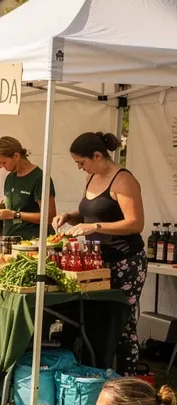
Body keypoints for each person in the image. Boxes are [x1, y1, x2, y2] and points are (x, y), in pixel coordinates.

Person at [52, 131, 146, 375]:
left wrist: (94, 227)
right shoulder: (92, 176)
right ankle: (96, 373)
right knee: (97, 318)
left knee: (123, 321)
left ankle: (127, 381)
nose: (80, 168)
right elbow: (95, 210)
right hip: (97, 261)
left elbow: (135, 223)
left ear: (97, 155)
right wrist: (71, 216)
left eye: (81, 163)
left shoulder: (123, 180)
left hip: (125, 261)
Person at [0, 136, 56, 241]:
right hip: (10, 240)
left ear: (16, 156)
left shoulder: (39, 178)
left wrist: (15, 215)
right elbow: (10, 205)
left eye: (4, 162)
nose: (2, 166)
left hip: (32, 242)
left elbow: (49, 217)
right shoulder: (10, 177)